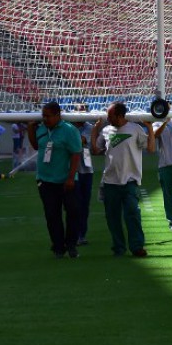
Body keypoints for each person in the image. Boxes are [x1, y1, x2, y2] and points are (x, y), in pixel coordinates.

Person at [91, 102, 155, 257]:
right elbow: (96, 150)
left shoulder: (135, 129)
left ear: (120, 115)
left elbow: (151, 149)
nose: (108, 118)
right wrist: (94, 131)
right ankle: (118, 248)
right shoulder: (106, 130)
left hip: (129, 182)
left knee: (133, 214)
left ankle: (137, 246)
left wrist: (150, 129)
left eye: (110, 115)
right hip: (110, 182)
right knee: (113, 218)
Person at [27, 102, 83, 259]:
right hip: (45, 180)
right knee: (52, 215)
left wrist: (71, 178)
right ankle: (58, 246)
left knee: (73, 212)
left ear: (58, 115)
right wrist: (30, 129)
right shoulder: (42, 129)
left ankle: (71, 244)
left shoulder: (69, 130)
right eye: (43, 116)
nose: (45, 119)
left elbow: (76, 153)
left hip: (66, 180)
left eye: (48, 116)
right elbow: (36, 146)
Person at [73, 104, 95, 246]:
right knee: (72, 204)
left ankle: (81, 234)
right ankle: (73, 234)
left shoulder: (89, 128)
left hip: (86, 170)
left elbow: (82, 141)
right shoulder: (69, 127)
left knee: (84, 204)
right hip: (71, 171)